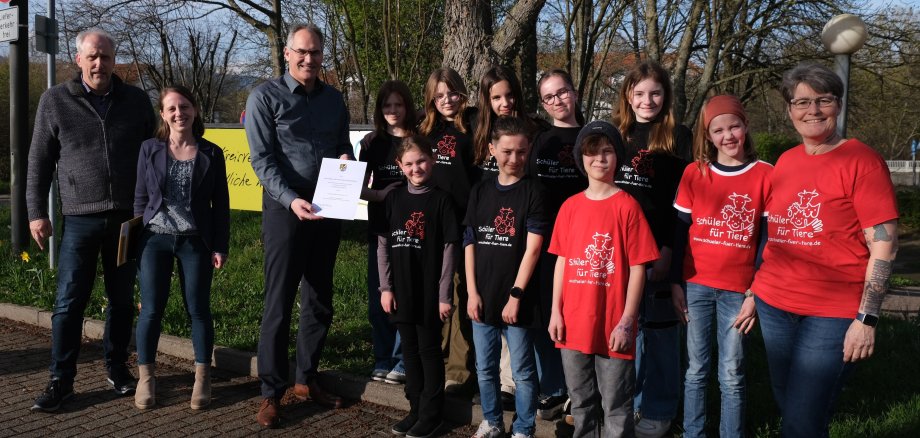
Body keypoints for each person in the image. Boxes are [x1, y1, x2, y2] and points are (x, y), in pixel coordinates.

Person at [749, 62, 898, 437]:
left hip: (832, 312)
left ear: (838, 104)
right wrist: (755, 291)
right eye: (801, 102)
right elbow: (775, 234)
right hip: (774, 304)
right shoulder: (785, 161)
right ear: (789, 110)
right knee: (792, 405)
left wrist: (866, 321)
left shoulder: (861, 161)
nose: (812, 111)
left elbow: (884, 244)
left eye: (823, 100)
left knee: (801, 419)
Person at [26, 28, 157, 412]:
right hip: (80, 221)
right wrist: (36, 212)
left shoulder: (135, 100)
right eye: (93, 57)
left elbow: (154, 152)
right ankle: (61, 379)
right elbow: (39, 160)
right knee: (69, 301)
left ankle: (117, 369)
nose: (100, 64)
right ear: (78, 59)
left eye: (107, 57)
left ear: (116, 61)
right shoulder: (55, 101)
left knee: (120, 299)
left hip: (126, 220)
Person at [244, 23, 354, 428]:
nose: (309, 60)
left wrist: (350, 175)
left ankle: (306, 380)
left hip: (327, 207)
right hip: (284, 208)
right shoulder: (264, 97)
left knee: (320, 298)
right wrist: (291, 200)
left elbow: (343, 147)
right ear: (287, 53)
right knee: (279, 302)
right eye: (302, 52)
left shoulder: (335, 100)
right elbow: (261, 160)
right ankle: (271, 392)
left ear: (323, 55)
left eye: (316, 53)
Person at [548, 120, 659, 437]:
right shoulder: (570, 207)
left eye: (607, 151)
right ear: (581, 158)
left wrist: (627, 320)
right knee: (581, 404)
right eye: (592, 152)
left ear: (617, 157)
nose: (599, 159)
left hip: (613, 327)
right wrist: (556, 311)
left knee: (616, 406)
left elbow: (638, 267)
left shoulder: (627, 207)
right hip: (572, 325)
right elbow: (563, 261)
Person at [669, 95, 771, 437]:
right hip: (695, 285)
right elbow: (679, 233)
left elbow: (769, 244)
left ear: (746, 127)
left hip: (739, 292)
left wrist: (755, 294)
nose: (728, 135)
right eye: (718, 129)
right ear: (708, 135)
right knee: (696, 370)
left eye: (734, 126)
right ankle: (693, 432)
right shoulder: (694, 173)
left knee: (731, 372)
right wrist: (674, 284)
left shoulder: (766, 175)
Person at [133, 85, 230, 411]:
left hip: (195, 242)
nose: (179, 113)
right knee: (151, 310)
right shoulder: (149, 149)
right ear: (163, 114)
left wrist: (220, 245)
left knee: (198, 310)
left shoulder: (212, 153)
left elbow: (221, 205)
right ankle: (146, 378)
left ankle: (202, 378)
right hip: (154, 240)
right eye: (172, 108)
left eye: (185, 106)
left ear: (195, 110)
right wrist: (134, 240)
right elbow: (140, 199)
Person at [612, 60, 691, 437]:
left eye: (655, 93)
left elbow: (683, 204)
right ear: (628, 95)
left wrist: (668, 249)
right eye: (639, 93)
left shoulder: (680, 136)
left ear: (666, 96)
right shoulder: (615, 134)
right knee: (628, 328)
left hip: (658, 250)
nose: (647, 100)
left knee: (659, 332)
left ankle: (660, 410)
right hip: (617, 251)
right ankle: (631, 403)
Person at [465, 117, 546, 438]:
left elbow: (534, 249)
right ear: (492, 149)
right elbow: (469, 243)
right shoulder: (481, 190)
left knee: (523, 373)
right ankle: (492, 421)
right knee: (485, 369)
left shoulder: (534, 192)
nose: (515, 159)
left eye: (522, 152)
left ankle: (524, 428)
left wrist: (516, 294)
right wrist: (472, 292)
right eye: (507, 151)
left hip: (518, 301)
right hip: (482, 296)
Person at [378, 136, 460, 438]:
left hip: (429, 292)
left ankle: (431, 413)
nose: (416, 168)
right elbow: (383, 244)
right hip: (401, 289)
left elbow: (450, 250)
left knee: (428, 351)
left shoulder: (442, 200)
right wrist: (385, 288)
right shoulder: (395, 199)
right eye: (409, 163)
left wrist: (443, 295)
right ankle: (414, 408)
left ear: (433, 160)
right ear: (400, 166)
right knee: (409, 351)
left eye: (421, 161)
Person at [527, 69, 586, 420]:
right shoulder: (539, 140)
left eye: (562, 92)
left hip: (582, 238)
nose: (557, 101)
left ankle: (578, 389)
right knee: (547, 313)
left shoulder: (592, 135)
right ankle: (553, 387)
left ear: (574, 93)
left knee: (577, 314)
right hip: (544, 238)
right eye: (549, 97)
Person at [418, 67, 478, 393]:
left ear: (462, 92)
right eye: (439, 95)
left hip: (464, 226)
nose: (447, 100)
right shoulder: (425, 131)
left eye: (452, 92)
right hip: (431, 227)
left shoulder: (473, 126)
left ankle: (459, 371)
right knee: (435, 295)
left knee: (461, 293)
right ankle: (435, 361)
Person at [360, 80, 416, 385]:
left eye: (398, 104)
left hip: (414, 232)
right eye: (386, 105)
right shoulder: (372, 143)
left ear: (407, 106)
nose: (392, 110)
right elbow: (358, 186)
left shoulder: (420, 140)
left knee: (407, 296)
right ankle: (382, 358)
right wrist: (380, 196)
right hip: (380, 229)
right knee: (379, 296)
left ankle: (403, 360)